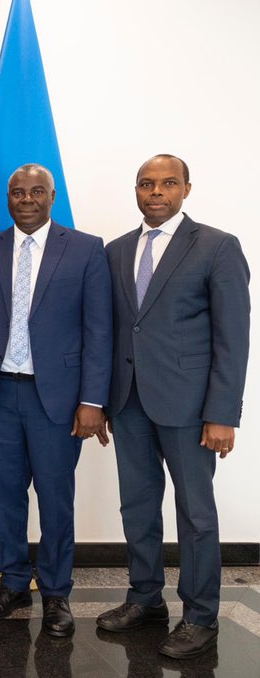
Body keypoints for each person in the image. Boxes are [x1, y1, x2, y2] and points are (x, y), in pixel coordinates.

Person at [96, 155, 250, 659]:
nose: (155, 191)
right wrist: (99, 400)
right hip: (129, 402)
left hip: (189, 408)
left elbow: (233, 337)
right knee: (137, 506)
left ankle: (200, 616)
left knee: (195, 513)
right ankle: (145, 599)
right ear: (136, 190)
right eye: (146, 183)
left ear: (187, 188)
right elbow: (114, 331)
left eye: (167, 183)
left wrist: (223, 412)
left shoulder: (217, 247)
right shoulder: (117, 251)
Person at [0, 163, 112, 637]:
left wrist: (92, 400)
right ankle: (11, 583)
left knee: (55, 499)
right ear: (8, 198)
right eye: (17, 192)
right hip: (0, 393)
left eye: (36, 192)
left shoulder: (86, 249)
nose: (25, 199)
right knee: (7, 497)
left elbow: (98, 330)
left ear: (52, 195)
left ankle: (55, 593)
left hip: (60, 400)